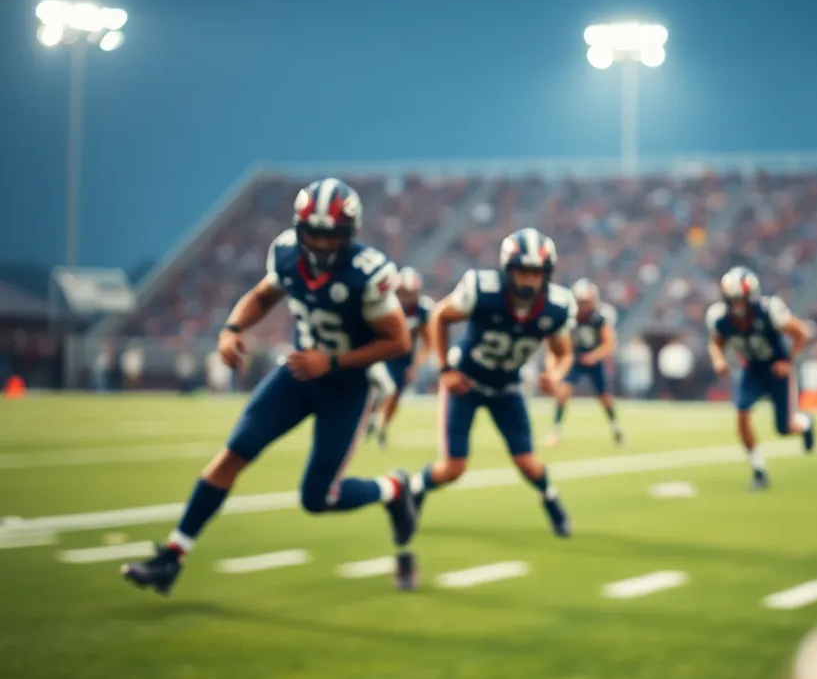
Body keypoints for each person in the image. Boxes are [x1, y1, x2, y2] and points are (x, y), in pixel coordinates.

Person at [121, 178, 418, 594]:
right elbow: (263, 294)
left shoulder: (366, 272)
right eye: (311, 232)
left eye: (329, 235)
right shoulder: (285, 253)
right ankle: (172, 556)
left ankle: (393, 489)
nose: (319, 243)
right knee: (233, 454)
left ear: (348, 235)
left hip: (346, 387)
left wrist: (331, 361)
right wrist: (232, 328)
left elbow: (398, 341)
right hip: (297, 374)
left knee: (318, 498)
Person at [407, 227, 576, 548]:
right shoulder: (482, 289)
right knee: (454, 467)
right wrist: (444, 369)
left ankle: (550, 499)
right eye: (522, 272)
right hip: (466, 383)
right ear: (507, 271)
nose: (529, 281)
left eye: (536, 273)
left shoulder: (556, 306)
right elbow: (439, 316)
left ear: (547, 274)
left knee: (527, 461)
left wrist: (554, 374)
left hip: (506, 387)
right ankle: (414, 489)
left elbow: (563, 352)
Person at [706, 267, 815, 491]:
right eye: (732, 299)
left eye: (741, 299)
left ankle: (805, 424)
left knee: (785, 428)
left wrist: (788, 361)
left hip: (777, 370)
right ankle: (758, 471)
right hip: (751, 369)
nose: (737, 305)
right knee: (742, 414)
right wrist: (718, 359)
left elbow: (801, 332)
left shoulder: (769, 310)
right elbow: (716, 341)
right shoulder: (718, 316)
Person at [545, 279, 624, 447]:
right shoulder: (569, 318)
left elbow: (609, 344)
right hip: (575, 359)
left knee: (604, 397)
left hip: (593, 361)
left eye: (586, 302)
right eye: (580, 302)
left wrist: (594, 356)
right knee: (563, 392)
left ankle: (615, 426)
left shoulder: (598, 319)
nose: (583, 306)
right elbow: (559, 341)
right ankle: (556, 430)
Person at [366, 266, 433, 447]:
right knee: (384, 389)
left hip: (404, 358)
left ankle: (381, 426)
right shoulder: (386, 304)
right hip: (383, 353)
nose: (408, 297)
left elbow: (428, 340)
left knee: (395, 395)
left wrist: (416, 364)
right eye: (404, 292)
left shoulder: (422, 309)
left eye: (411, 293)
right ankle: (370, 419)